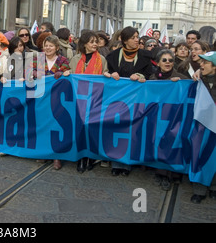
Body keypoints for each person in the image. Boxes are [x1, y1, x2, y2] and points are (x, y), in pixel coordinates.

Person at [104, 26, 153, 176]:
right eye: (133, 37)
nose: (137, 40)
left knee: (132, 131)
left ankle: (127, 164)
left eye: (137, 37)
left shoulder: (146, 56)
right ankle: (116, 162)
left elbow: (151, 75)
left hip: (137, 100)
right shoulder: (112, 56)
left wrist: (139, 75)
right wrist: (110, 74)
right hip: (117, 100)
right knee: (117, 129)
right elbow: (108, 72)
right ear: (124, 40)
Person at [62, 31, 108, 173]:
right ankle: (81, 157)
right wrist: (67, 72)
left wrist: (107, 75)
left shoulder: (102, 59)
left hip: (95, 99)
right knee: (79, 128)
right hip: (78, 99)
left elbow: (104, 76)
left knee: (90, 128)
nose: (95, 44)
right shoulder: (75, 59)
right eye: (92, 41)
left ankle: (89, 156)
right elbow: (69, 74)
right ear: (84, 44)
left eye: (96, 41)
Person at [148, 49, 187, 190]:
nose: (168, 63)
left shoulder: (181, 78)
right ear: (158, 63)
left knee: (171, 142)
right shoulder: (152, 78)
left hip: (175, 117)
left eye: (170, 60)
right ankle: (160, 172)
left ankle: (170, 174)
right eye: (164, 60)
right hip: (158, 117)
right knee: (157, 142)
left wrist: (180, 84)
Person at [32, 35, 71, 170]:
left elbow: (67, 71)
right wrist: (34, 72)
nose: (48, 48)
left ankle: (57, 156)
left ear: (57, 48)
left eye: (51, 45)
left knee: (56, 125)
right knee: (42, 124)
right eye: (46, 45)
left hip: (57, 99)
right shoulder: (38, 59)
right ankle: (44, 153)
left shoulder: (63, 60)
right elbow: (29, 70)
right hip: (41, 97)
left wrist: (62, 72)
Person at [190, 51, 216, 203]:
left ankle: (213, 186)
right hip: (202, 125)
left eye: (205, 63)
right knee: (200, 153)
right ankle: (199, 189)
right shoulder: (198, 79)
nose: (201, 65)